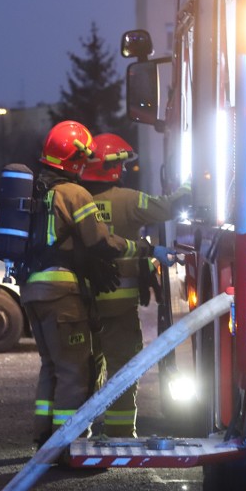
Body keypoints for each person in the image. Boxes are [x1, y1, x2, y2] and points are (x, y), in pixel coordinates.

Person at [80, 132, 191, 438]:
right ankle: (119, 431)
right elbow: (168, 207)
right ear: (113, 167)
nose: (126, 171)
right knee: (123, 369)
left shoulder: (75, 199)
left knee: (83, 369)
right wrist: (191, 183)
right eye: (123, 166)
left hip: (81, 303)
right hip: (119, 305)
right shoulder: (128, 200)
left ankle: (76, 433)